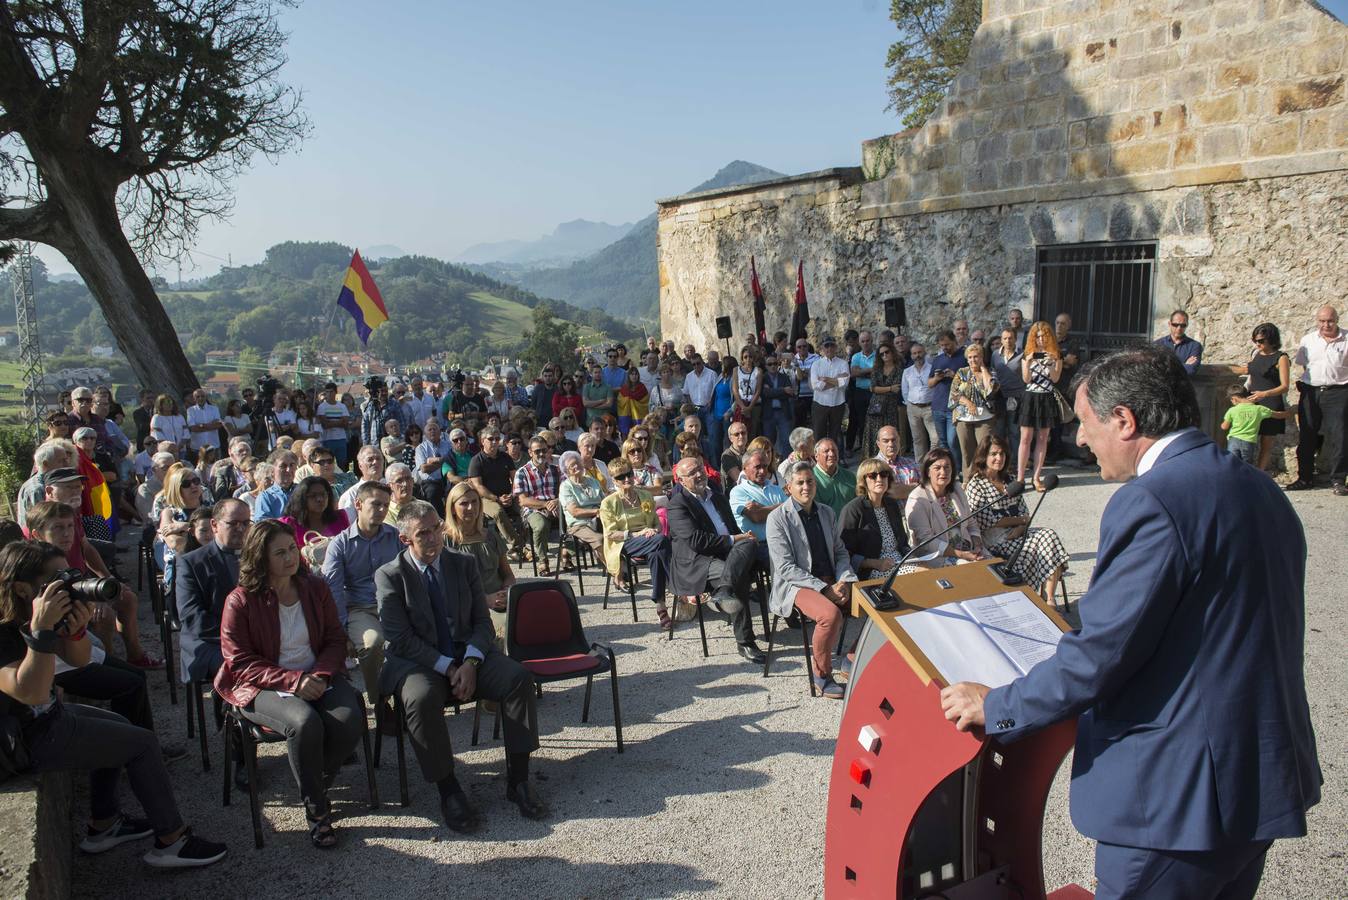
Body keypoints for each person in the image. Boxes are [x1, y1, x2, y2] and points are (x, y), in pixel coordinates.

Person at [940, 347, 1322, 900]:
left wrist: (995, 705)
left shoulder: (1153, 500)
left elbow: (1101, 655)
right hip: (1256, 775)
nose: (1080, 439)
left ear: (1125, 420)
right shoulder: (1258, 486)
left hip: (1179, 799)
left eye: (1087, 424)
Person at [0, 541, 228, 867]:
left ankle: (103, 825)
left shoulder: (33, 612)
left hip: (43, 718)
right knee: (143, 743)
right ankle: (171, 841)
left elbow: (78, 661)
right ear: (23, 588)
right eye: (57, 580)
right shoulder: (9, 627)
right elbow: (31, 692)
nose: (68, 586)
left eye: (70, 575)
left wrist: (75, 631)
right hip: (20, 740)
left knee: (121, 729)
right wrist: (41, 632)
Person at [376, 501, 548, 831]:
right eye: (422, 533)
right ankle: (449, 789)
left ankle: (519, 780)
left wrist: (469, 662)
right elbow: (401, 639)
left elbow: (482, 623)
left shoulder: (462, 564)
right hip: (419, 662)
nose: (433, 538)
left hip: (465, 654)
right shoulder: (390, 576)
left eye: (436, 528)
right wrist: (446, 667)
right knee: (420, 698)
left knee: (517, 678)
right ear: (405, 540)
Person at [215, 519, 364, 849]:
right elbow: (239, 662)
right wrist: (294, 681)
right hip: (262, 686)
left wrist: (321, 676)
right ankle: (316, 809)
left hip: (317, 675)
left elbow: (335, 640)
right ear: (260, 557)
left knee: (349, 719)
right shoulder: (240, 600)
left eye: (292, 549)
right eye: (279, 552)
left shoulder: (315, 587)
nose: (290, 557)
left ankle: (316, 781)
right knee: (304, 723)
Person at [765, 462, 858, 699]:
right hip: (797, 585)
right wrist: (824, 589)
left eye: (810, 481)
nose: (806, 487)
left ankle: (851, 658)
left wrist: (845, 580)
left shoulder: (826, 512)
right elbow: (785, 568)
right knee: (830, 615)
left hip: (831, 580)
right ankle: (822, 675)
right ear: (788, 488)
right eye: (800, 483)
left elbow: (840, 552)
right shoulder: (777, 518)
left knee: (877, 602)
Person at [665, 457, 766, 664]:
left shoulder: (718, 496)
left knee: (760, 550)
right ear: (681, 481)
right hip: (698, 561)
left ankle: (725, 591)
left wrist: (743, 537)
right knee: (737, 575)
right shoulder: (677, 504)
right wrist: (737, 539)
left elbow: (734, 531)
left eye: (700, 469)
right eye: (692, 473)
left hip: (728, 554)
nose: (699, 474)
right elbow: (697, 541)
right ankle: (745, 642)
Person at [321, 481, 400, 706]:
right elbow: (333, 589)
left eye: (386, 505)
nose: (382, 510)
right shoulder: (340, 544)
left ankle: (411, 697)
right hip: (359, 608)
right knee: (373, 643)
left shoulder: (394, 536)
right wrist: (341, 630)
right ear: (358, 504)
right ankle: (380, 702)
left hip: (393, 604)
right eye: (376, 504)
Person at [965, 435, 1069, 599]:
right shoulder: (976, 484)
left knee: (1048, 536)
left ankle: (1049, 599)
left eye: (1002, 454)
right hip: (995, 542)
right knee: (1046, 541)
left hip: (1018, 535)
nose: (999, 458)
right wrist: (1020, 521)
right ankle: (1045, 599)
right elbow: (985, 521)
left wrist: (1021, 526)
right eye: (993, 454)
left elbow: (1025, 512)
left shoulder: (1010, 481)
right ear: (984, 456)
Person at [176, 499, 249, 690]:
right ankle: (228, 716)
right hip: (209, 641)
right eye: (233, 523)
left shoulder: (258, 556)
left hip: (252, 638)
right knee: (242, 669)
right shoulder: (191, 563)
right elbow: (192, 616)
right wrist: (237, 636)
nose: (240, 529)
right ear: (215, 525)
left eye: (246, 523)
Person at [599, 458, 673, 627]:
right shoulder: (608, 503)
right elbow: (610, 533)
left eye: (629, 474)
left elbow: (655, 522)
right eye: (621, 477)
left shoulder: (645, 495)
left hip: (651, 540)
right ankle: (677, 584)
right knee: (661, 541)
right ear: (613, 480)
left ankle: (660, 605)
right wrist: (637, 533)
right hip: (625, 543)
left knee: (657, 552)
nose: (627, 479)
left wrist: (654, 530)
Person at [443, 482, 515, 645]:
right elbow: (449, 588)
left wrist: (507, 591)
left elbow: (508, 574)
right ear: (453, 508)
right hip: (470, 607)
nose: (471, 507)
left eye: (475, 502)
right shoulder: (446, 540)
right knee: (508, 628)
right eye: (464, 503)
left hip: (502, 600)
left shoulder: (490, 536)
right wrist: (486, 600)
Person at [1287, 305, 1347, 494]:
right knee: (1307, 434)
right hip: (1311, 391)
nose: (1326, 325)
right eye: (1322, 321)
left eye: (1330, 321)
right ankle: (1305, 478)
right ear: (1317, 321)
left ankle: (1338, 480)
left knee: (1340, 435)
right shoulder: (1308, 340)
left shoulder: (1346, 339)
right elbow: (1305, 367)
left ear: (1336, 320)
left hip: (1339, 391)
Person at [1225, 323, 1291, 472]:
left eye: (1261, 341)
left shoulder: (1281, 358)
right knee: (1245, 437)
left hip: (1270, 401)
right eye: (1255, 341)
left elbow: (1285, 386)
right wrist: (1226, 368)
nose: (1258, 344)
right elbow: (1248, 370)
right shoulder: (1256, 354)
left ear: (1271, 339)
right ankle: (1241, 472)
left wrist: (1264, 393)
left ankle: (1259, 474)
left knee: (1266, 443)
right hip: (1251, 402)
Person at [905, 448, 989, 564]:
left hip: (968, 550)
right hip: (937, 556)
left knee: (995, 567)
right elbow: (926, 542)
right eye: (937, 468)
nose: (943, 472)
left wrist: (978, 545)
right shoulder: (918, 498)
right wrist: (962, 555)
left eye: (947, 467)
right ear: (928, 472)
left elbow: (971, 523)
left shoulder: (957, 490)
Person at [839, 457, 913, 579]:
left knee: (927, 571)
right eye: (873, 476)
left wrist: (911, 557)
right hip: (872, 570)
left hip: (900, 562)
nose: (879, 479)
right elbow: (844, 552)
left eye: (883, 474)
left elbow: (903, 542)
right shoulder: (853, 509)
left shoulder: (892, 504)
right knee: (916, 575)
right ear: (864, 480)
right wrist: (874, 563)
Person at [1018, 321, 1064, 490]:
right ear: (1033, 338)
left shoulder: (1056, 354)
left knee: (1043, 438)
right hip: (1030, 397)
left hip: (1046, 397)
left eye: (1044, 336)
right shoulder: (1027, 354)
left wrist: (1052, 363)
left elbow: (1055, 379)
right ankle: (1021, 477)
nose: (1041, 340)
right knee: (1025, 438)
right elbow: (1026, 380)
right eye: (1037, 337)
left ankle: (1036, 478)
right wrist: (1029, 363)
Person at [466, 426, 526, 555]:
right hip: (486, 499)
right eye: (491, 439)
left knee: (526, 509)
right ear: (482, 441)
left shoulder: (505, 457)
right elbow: (478, 486)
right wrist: (497, 499)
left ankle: (522, 546)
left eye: (497, 439)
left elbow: (515, 479)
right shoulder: (476, 461)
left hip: (508, 496)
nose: (494, 442)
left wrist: (511, 495)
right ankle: (518, 545)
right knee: (498, 512)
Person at [949, 341, 999, 481]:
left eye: (976, 356)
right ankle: (968, 481)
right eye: (970, 357)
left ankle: (987, 479)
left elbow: (992, 390)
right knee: (967, 453)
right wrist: (969, 403)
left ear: (982, 357)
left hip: (985, 417)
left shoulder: (990, 371)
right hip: (964, 418)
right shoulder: (962, 372)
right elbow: (954, 393)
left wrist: (983, 370)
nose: (973, 360)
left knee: (986, 450)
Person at [513, 437, 562, 576]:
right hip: (533, 508)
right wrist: (545, 504)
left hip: (556, 506)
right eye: (537, 451)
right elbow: (523, 501)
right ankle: (543, 560)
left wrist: (557, 501)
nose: (541, 454)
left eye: (544, 450)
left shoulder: (556, 470)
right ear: (530, 452)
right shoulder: (522, 472)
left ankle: (566, 554)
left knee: (574, 520)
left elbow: (566, 490)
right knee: (540, 526)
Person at [728, 449, 787, 561]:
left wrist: (762, 508)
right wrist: (783, 506)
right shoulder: (738, 491)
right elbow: (756, 517)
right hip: (761, 545)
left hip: (785, 540)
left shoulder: (775, 489)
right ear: (745, 468)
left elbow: (791, 512)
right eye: (758, 467)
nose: (763, 471)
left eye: (765, 466)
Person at [927, 331, 967, 476]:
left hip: (955, 407)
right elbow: (929, 383)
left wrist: (954, 375)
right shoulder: (938, 360)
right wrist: (938, 378)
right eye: (942, 345)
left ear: (954, 341)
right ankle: (948, 470)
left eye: (947, 345)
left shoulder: (964, 358)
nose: (945, 348)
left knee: (952, 441)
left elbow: (971, 382)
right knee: (943, 443)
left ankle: (958, 470)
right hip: (938, 406)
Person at [1222, 385, 1294, 465]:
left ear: (1234, 399)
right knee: (1247, 465)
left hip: (1233, 440)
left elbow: (1224, 427)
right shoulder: (1259, 409)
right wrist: (1291, 413)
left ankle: (1232, 477)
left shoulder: (1232, 410)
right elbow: (1278, 415)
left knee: (1232, 463)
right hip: (1248, 442)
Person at [557, 451, 606, 567]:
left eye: (578, 463)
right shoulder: (566, 486)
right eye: (572, 465)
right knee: (600, 539)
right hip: (579, 525)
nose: (576, 466)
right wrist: (596, 511)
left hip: (600, 520)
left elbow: (604, 502)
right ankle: (616, 572)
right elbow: (575, 511)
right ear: (566, 471)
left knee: (618, 534)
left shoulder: (593, 481)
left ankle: (622, 564)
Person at [279, 475, 350, 552]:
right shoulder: (289, 524)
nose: (320, 499)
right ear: (302, 499)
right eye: (313, 496)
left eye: (323, 494)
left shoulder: (340, 517)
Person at [862, 341, 904, 459]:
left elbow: (898, 388)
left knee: (889, 433)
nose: (885, 355)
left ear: (892, 352)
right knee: (874, 433)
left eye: (887, 352)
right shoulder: (877, 369)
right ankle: (872, 459)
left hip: (891, 407)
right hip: (876, 406)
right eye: (881, 354)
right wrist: (889, 388)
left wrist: (881, 389)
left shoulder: (899, 369)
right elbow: (873, 388)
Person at [809, 337, 850, 451]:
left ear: (836, 347)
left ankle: (837, 458)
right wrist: (836, 380)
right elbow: (815, 386)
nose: (829, 348)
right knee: (818, 433)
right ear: (822, 348)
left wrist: (826, 379)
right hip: (820, 403)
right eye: (826, 346)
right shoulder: (816, 364)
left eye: (832, 345)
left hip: (838, 402)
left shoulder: (843, 363)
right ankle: (819, 457)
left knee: (836, 433)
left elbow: (845, 383)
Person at [991, 328, 1025, 463]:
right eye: (1005, 338)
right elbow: (993, 374)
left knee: (1014, 432)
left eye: (1011, 338)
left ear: (1015, 339)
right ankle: (999, 463)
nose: (1008, 341)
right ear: (1001, 340)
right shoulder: (995, 355)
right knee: (999, 432)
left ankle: (1015, 463)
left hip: (1016, 397)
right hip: (999, 398)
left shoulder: (1022, 354)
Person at [902, 341, 937, 460]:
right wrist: (909, 405)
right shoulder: (907, 372)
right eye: (914, 353)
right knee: (917, 439)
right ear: (911, 356)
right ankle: (920, 466)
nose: (917, 355)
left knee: (935, 438)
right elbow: (905, 390)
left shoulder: (932, 369)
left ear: (924, 352)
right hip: (913, 408)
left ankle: (932, 462)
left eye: (919, 352)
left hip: (929, 407)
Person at [760, 353, 797, 459]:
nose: (772, 366)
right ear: (766, 366)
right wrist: (782, 390)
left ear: (778, 364)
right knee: (768, 442)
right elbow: (765, 393)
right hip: (768, 413)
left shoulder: (784, 376)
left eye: (775, 363)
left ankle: (787, 464)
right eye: (770, 364)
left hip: (783, 412)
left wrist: (773, 392)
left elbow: (789, 392)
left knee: (786, 440)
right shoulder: (763, 378)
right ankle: (769, 464)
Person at [847, 330, 876, 454]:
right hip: (859, 392)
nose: (865, 343)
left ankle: (873, 448)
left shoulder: (878, 355)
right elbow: (853, 373)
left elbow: (878, 374)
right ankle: (863, 448)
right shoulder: (856, 357)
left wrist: (862, 371)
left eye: (868, 341)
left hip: (875, 391)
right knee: (860, 421)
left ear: (872, 341)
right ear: (859, 342)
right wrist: (870, 370)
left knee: (874, 421)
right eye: (863, 341)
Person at [414, 418, 452, 511]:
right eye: (429, 430)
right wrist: (443, 461)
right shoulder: (420, 448)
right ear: (425, 434)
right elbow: (424, 469)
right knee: (432, 493)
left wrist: (435, 462)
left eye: (435, 429)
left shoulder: (448, 445)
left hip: (449, 478)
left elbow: (453, 460)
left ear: (440, 432)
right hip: (431, 481)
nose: (432, 431)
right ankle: (439, 520)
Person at [811, 438, 856, 517]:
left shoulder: (850, 476)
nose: (831, 454)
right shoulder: (810, 480)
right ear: (816, 456)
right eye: (826, 451)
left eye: (834, 450)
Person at [874, 425, 920, 502]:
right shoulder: (873, 467)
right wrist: (914, 488)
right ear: (878, 444)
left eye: (894, 440)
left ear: (899, 440)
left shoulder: (911, 463)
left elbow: (927, 488)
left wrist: (902, 489)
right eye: (886, 441)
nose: (891, 444)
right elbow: (892, 493)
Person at [682, 354, 718, 445]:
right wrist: (691, 405)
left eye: (698, 363)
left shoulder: (712, 374)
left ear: (702, 362)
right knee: (695, 437)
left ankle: (713, 458)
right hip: (695, 409)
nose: (696, 366)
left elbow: (716, 391)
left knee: (712, 436)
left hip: (709, 409)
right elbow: (686, 393)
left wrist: (711, 402)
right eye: (694, 364)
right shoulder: (689, 376)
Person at [1153, 309, 1203, 375]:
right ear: (1169, 324)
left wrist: (1165, 367)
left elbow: (1191, 370)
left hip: (1183, 385)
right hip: (1163, 385)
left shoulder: (1195, 346)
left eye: (1183, 325)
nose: (1179, 328)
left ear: (1187, 325)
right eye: (1175, 324)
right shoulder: (1157, 344)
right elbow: (1155, 370)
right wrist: (1184, 365)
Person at [254, 449, 299, 520]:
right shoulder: (266, 497)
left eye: (292, 465)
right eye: (283, 466)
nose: (288, 470)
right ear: (272, 471)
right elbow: (263, 525)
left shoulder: (303, 491)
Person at [315, 383, 352, 470]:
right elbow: (325, 425)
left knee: (342, 462)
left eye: (331, 392)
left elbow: (345, 423)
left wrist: (331, 422)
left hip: (341, 439)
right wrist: (339, 421)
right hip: (327, 439)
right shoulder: (322, 407)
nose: (329, 394)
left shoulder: (342, 406)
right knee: (328, 462)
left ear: (335, 392)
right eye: (327, 392)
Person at [336, 445, 385, 510]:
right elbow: (349, 520)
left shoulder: (393, 486)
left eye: (378, 458)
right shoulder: (352, 494)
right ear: (360, 466)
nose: (375, 462)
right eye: (370, 459)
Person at [185, 388, 222, 456]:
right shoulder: (190, 410)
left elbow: (219, 425)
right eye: (198, 397)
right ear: (194, 399)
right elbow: (193, 428)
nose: (200, 398)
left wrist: (201, 425)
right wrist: (211, 425)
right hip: (197, 447)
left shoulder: (214, 409)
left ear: (206, 397)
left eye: (202, 396)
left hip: (213, 446)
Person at [616, 366, 650, 437]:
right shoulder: (624, 388)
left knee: (638, 434)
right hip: (626, 416)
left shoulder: (642, 388)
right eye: (632, 374)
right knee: (626, 435)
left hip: (639, 415)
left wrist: (633, 401)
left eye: (636, 374)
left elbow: (646, 401)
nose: (634, 376)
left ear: (638, 375)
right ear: (628, 376)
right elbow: (620, 401)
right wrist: (628, 400)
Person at [581, 363, 613, 427]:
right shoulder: (586, 387)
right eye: (595, 372)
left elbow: (609, 404)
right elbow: (585, 403)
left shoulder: (608, 387)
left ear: (602, 374)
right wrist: (601, 401)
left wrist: (592, 405)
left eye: (599, 372)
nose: (597, 374)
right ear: (592, 374)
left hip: (605, 422)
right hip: (591, 421)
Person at [720, 421, 750, 487]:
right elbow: (740, 480)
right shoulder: (727, 455)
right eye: (737, 434)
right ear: (731, 438)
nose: (741, 436)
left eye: (743, 433)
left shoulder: (750, 452)